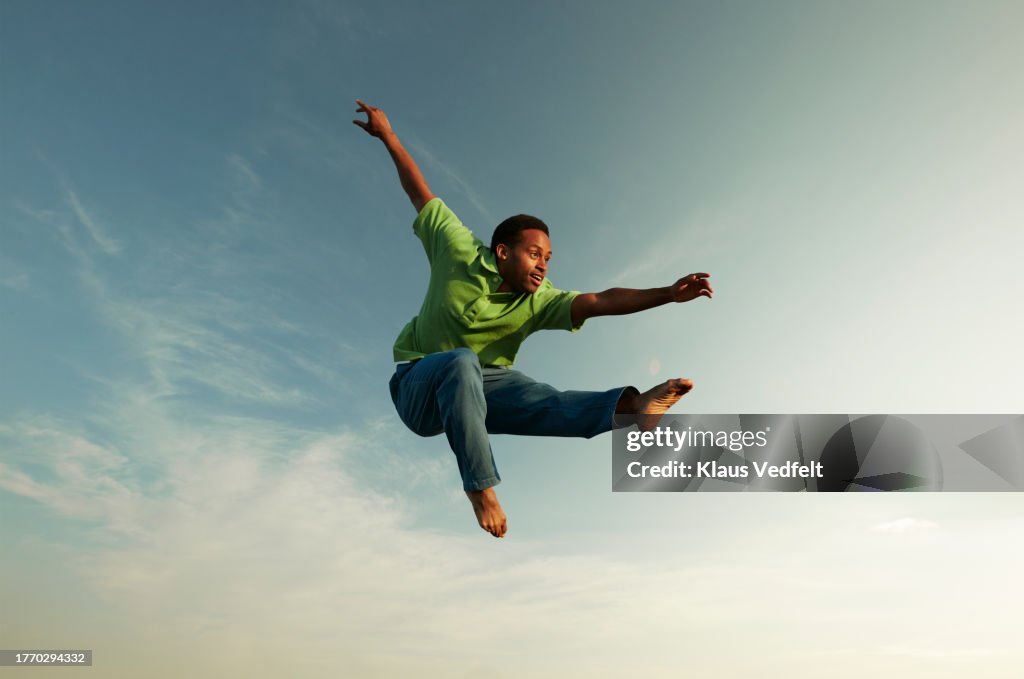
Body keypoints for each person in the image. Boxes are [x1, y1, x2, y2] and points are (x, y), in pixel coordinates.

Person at [354, 100, 713, 538]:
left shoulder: (539, 299)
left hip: (484, 385)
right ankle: (481, 487)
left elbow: (600, 300)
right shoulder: (457, 247)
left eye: (548, 258)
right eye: (534, 254)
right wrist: (388, 135)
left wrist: (667, 295)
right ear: (503, 251)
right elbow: (419, 191)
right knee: (460, 361)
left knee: (546, 399)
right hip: (416, 386)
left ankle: (630, 407)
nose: (543, 265)